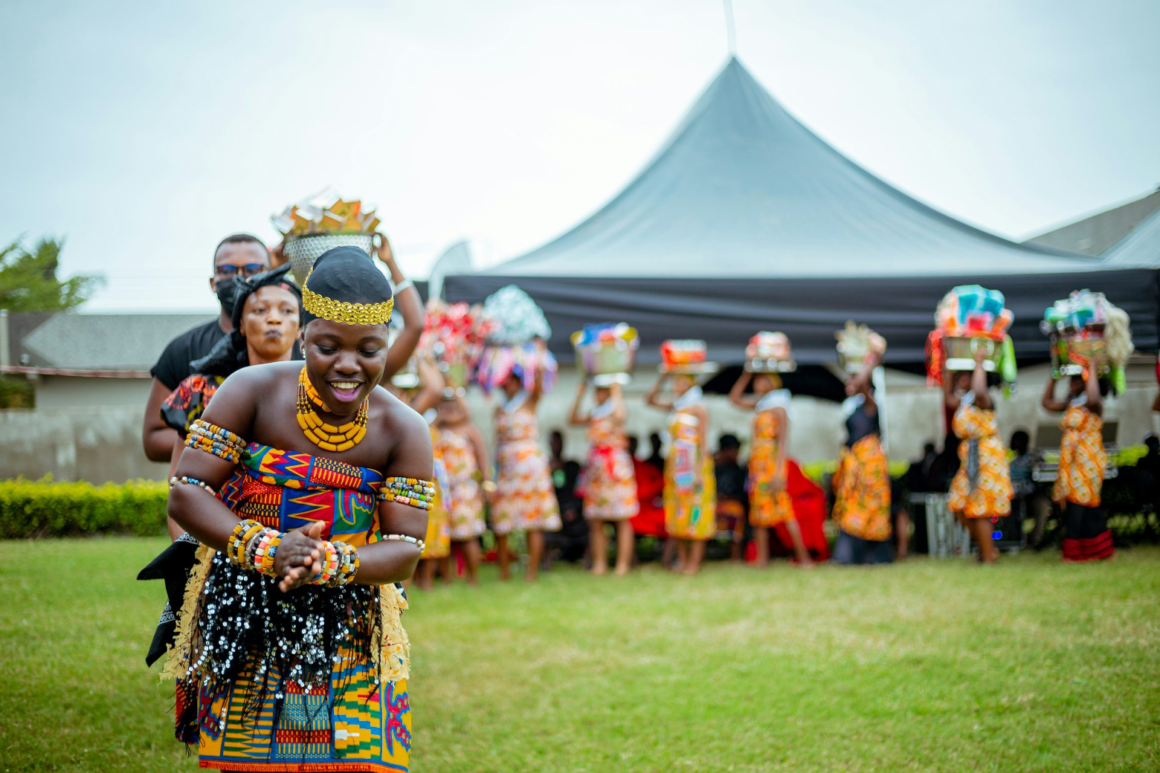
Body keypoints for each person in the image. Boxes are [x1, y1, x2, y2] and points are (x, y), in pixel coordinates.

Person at [161, 246, 432, 771]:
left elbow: (406, 548)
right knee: (250, 761)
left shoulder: (405, 428)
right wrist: (268, 548)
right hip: (247, 609)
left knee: (350, 763)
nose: (349, 366)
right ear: (302, 336)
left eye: (370, 350)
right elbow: (187, 489)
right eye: (328, 346)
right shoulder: (251, 390)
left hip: (353, 622)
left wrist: (326, 563)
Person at [158, 265, 302, 540]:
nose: (274, 319)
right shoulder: (202, 392)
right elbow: (180, 485)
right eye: (260, 311)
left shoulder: (318, 396)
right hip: (221, 545)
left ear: (300, 329)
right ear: (241, 325)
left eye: (286, 311)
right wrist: (189, 562)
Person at [143, 234, 271, 462]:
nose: (240, 277)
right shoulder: (182, 349)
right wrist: (228, 444)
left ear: (271, 276)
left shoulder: (301, 347)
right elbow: (153, 439)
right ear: (213, 282)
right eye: (228, 270)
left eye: (253, 269)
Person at [491, 347, 562, 581]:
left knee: (533, 520)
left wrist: (534, 353)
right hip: (507, 467)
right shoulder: (499, 409)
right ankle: (504, 571)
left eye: (512, 380)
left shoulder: (530, 401)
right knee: (502, 520)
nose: (508, 385)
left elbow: (540, 381)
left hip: (530, 466)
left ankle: (531, 573)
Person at [730, 371, 813, 567]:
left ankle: (804, 558)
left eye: (762, 379)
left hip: (772, 464)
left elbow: (783, 441)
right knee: (759, 513)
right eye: (757, 379)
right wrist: (746, 374)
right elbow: (734, 398)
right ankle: (762, 559)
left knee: (784, 510)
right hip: (757, 466)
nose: (758, 383)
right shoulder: (760, 406)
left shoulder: (779, 407)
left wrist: (778, 470)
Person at [385, 356, 448, 590]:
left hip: (404, 484)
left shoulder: (402, 410)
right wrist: (421, 354)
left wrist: (420, 357)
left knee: (405, 541)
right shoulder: (397, 410)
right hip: (394, 484)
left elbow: (435, 389)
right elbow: (435, 389)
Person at [945, 348, 1013, 564]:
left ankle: (988, 556)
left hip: (987, 458)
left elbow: (980, 390)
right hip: (971, 459)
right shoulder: (964, 402)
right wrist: (947, 365)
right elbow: (947, 397)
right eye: (959, 375)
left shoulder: (984, 399)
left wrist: (979, 362)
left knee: (981, 509)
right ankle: (988, 548)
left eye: (966, 375)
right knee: (959, 505)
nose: (960, 379)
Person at [646, 372, 716, 575]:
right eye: (676, 380)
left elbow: (704, 443)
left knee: (696, 511)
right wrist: (663, 377)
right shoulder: (677, 406)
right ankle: (683, 561)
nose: (677, 384)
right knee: (678, 512)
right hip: (676, 465)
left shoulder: (698, 408)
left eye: (681, 380)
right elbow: (649, 400)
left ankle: (694, 563)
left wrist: (700, 471)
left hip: (694, 463)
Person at [1042, 368, 1113, 562]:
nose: (1072, 383)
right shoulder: (1071, 403)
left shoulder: (1095, 404)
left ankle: (1072, 551)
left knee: (1080, 501)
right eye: (1071, 380)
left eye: (1077, 380)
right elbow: (1046, 403)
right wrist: (1054, 374)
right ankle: (1096, 551)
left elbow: (1092, 398)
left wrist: (1090, 366)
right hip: (1070, 460)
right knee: (1077, 502)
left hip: (1088, 459)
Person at [569, 379, 638, 575]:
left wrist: (617, 392)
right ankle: (600, 563)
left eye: (603, 391)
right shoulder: (594, 414)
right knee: (596, 519)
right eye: (597, 391)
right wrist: (579, 394)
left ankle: (622, 565)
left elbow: (621, 416)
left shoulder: (614, 411)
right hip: (596, 470)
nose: (598, 394)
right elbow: (572, 420)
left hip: (615, 470)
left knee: (622, 518)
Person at [831, 353, 893, 565]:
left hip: (870, 464)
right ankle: (849, 555)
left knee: (872, 506)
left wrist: (870, 362)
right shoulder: (852, 406)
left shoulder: (871, 404)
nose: (850, 383)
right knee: (852, 505)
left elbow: (863, 382)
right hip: (854, 461)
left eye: (853, 379)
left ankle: (874, 556)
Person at [435, 391, 490, 584]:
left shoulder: (469, 428)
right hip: (441, 492)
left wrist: (487, 483)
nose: (449, 409)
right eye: (445, 404)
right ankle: (446, 578)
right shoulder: (435, 428)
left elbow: (482, 457)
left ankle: (473, 578)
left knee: (468, 535)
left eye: (453, 405)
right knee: (443, 536)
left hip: (465, 489)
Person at [712, 434, 748, 561]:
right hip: (710, 503)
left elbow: (742, 493)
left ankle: (735, 557)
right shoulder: (710, 466)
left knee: (736, 510)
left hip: (731, 503)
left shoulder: (738, 469)